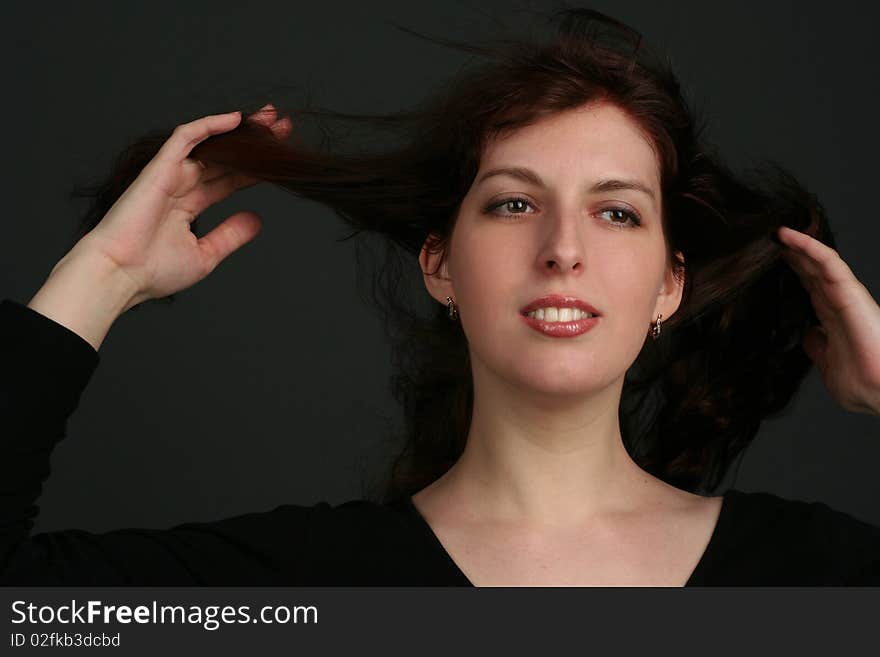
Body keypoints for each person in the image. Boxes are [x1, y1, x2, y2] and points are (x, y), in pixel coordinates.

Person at [1, 8, 879, 586]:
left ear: (669, 281)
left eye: (616, 211)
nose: (564, 249)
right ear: (440, 264)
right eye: (514, 203)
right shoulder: (305, 592)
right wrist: (104, 274)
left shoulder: (815, 572)